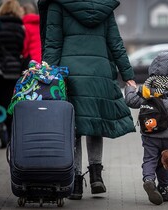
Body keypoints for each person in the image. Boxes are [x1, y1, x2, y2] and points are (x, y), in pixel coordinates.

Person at [38, 0, 136, 200]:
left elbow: (53, 44)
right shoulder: (104, 7)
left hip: (70, 74)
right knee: (94, 123)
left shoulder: (58, 5)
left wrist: (45, 74)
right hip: (98, 74)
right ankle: (96, 175)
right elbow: (115, 43)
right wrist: (127, 75)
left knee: (73, 126)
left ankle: (75, 181)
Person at [125, 52, 168, 205]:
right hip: (167, 137)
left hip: (149, 134)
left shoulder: (146, 90)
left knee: (150, 159)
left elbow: (131, 101)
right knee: (165, 162)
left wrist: (130, 88)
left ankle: (148, 180)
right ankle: (163, 189)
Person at [0, 0, 25, 146]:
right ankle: (10, 138)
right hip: (13, 70)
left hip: (0, 69)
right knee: (9, 103)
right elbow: (21, 49)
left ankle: (0, 130)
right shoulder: (20, 28)